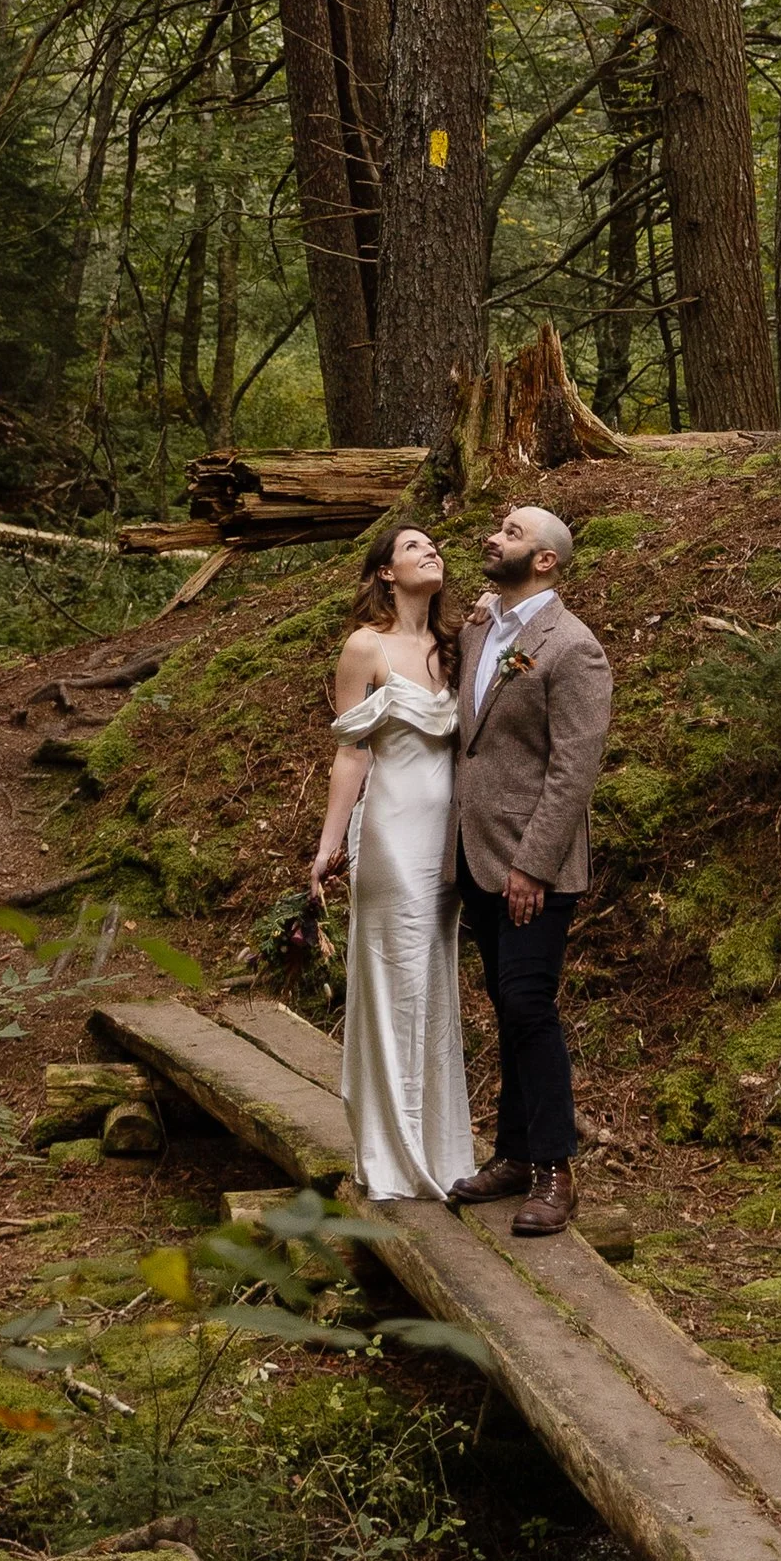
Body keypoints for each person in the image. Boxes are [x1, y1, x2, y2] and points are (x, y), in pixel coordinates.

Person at [442, 503, 613, 1237]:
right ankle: (512, 1156)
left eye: (512, 533)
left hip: (534, 867)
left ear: (545, 560)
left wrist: (533, 866)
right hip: (475, 855)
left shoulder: (574, 648)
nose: (494, 536)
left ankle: (553, 1171)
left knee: (529, 1007)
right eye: (499, 527)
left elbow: (575, 769)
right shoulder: (483, 627)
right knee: (507, 1008)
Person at [308, 520, 475, 1203]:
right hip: (392, 831)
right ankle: (389, 1151)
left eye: (435, 544)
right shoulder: (364, 646)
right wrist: (328, 843)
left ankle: (440, 1148)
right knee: (394, 979)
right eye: (414, 546)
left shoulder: (456, 646)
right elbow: (352, 752)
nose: (431, 550)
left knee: (434, 982)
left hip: (450, 837)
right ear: (385, 572)